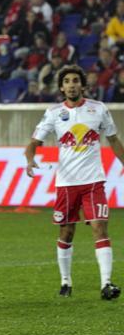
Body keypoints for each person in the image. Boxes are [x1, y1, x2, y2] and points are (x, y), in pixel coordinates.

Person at [25, 64, 124, 300]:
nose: (71, 84)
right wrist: (30, 159)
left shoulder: (98, 109)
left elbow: (113, 140)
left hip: (94, 181)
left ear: (82, 85)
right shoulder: (53, 113)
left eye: (75, 81)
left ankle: (106, 284)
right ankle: (66, 282)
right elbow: (33, 143)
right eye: (67, 81)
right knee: (67, 232)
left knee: (100, 227)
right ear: (61, 87)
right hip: (66, 183)